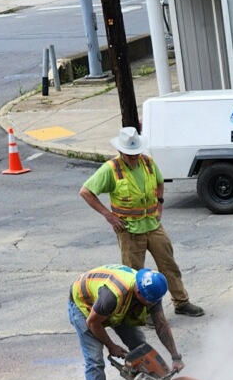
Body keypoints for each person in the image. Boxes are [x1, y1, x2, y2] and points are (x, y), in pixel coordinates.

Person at [80, 127, 204, 318]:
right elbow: (86, 192)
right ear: (121, 152)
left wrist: (160, 205)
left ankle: (181, 303)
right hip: (129, 230)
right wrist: (109, 215)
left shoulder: (148, 162)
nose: (134, 157)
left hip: (153, 226)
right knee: (134, 276)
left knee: (169, 265)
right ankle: (140, 314)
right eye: (130, 154)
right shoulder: (111, 169)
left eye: (136, 153)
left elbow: (160, 182)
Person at [67, 265, 185, 380]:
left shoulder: (152, 291)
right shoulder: (113, 296)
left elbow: (161, 324)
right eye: (149, 302)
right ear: (139, 293)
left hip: (117, 307)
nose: (152, 305)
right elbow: (93, 322)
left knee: (140, 347)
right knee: (95, 361)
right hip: (84, 307)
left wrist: (176, 357)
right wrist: (111, 345)